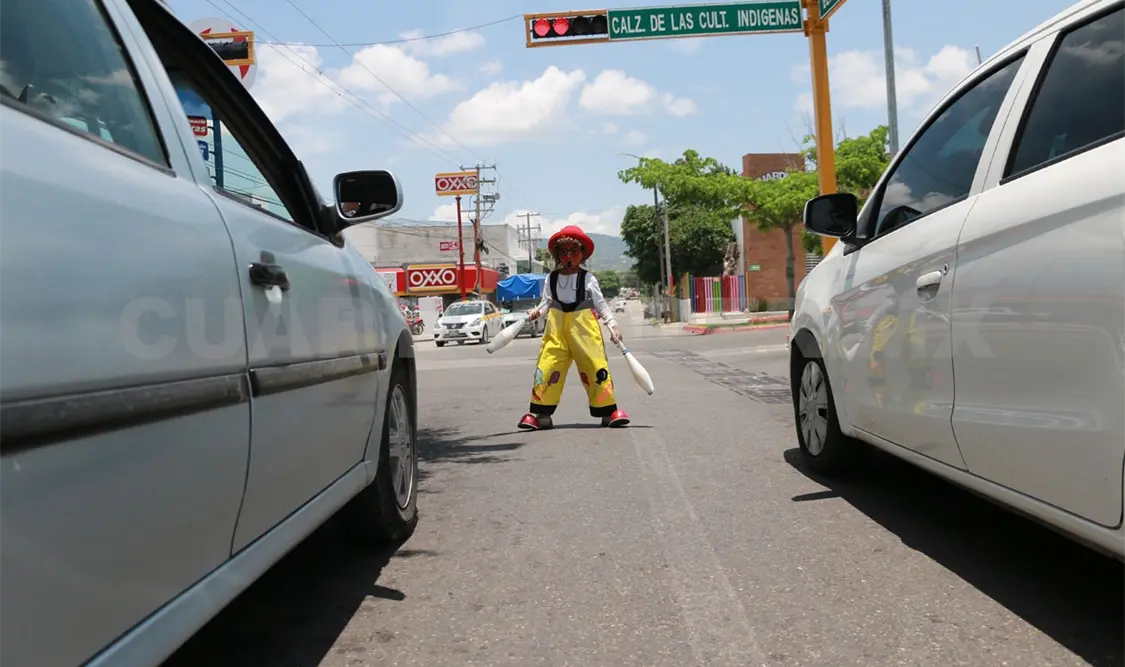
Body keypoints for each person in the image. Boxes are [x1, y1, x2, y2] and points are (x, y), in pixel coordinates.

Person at [518, 225, 630, 430]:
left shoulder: (589, 279)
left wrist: (612, 324)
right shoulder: (551, 279)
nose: (569, 256)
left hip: (584, 330)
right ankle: (541, 415)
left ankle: (608, 412)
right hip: (556, 330)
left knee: (595, 367)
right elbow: (546, 303)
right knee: (547, 366)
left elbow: (601, 305)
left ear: (582, 255)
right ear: (558, 255)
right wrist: (536, 313)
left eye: (574, 251)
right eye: (564, 251)